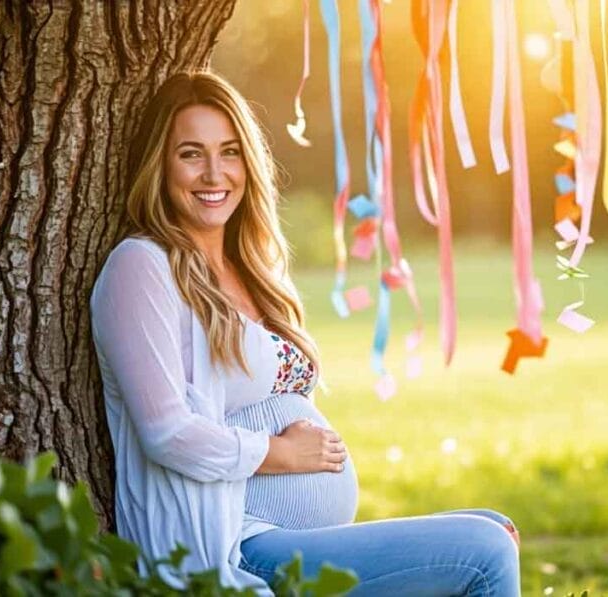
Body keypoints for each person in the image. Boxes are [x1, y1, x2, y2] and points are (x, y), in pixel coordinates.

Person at [90, 70, 521, 595]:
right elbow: (166, 433)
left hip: (291, 538)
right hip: (232, 550)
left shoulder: (250, 269)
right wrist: (283, 455)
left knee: (496, 526)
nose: (213, 173)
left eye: (229, 152)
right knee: (485, 552)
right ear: (159, 165)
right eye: (190, 154)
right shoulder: (141, 266)